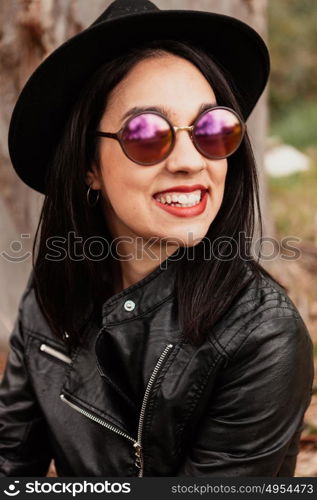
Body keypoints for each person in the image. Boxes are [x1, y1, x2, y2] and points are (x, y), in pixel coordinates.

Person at [0, 0, 314, 478]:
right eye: (147, 133)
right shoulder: (50, 297)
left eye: (213, 128)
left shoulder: (262, 337)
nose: (190, 162)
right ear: (89, 166)